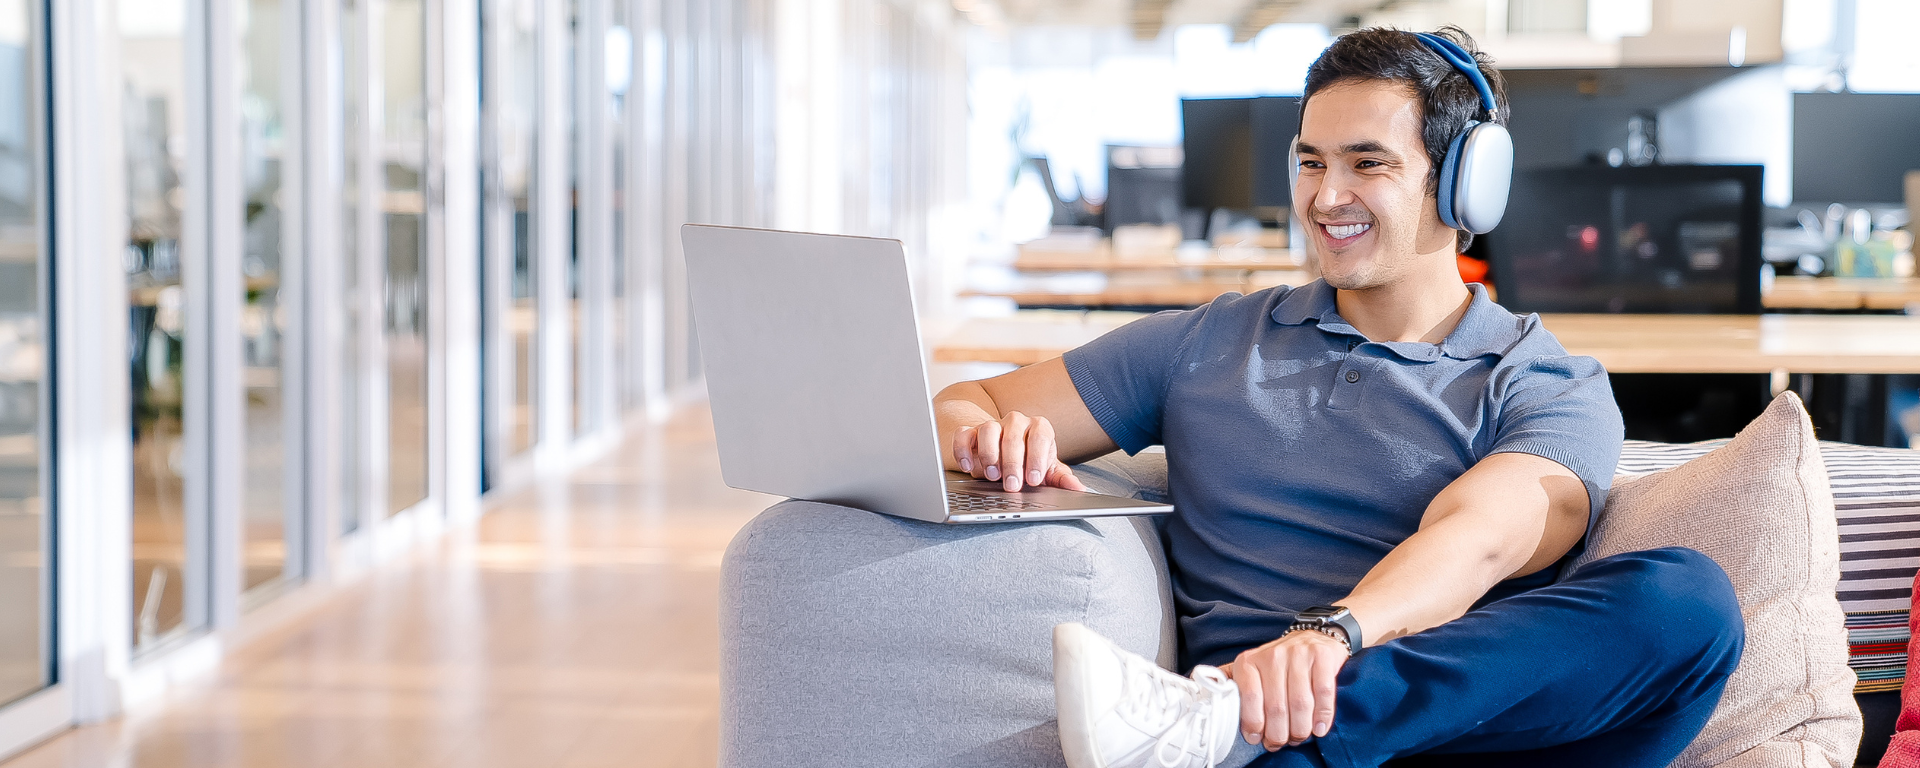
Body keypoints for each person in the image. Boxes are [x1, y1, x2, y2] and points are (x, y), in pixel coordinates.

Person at [931, 26, 1744, 768]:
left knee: (1687, 603)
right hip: (1278, 740)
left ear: (1465, 184)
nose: (1324, 198)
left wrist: (1331, 634)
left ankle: (1226, 727)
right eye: (1311, 161)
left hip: (1461, 739)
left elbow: (1483, 537)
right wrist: (984, 441)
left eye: (1368, 163)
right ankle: (1252, 732)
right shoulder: (1206, 343)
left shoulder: (1546, 381)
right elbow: (960, 403)